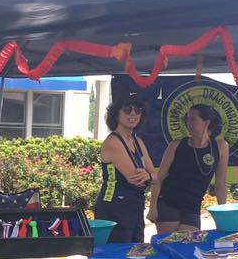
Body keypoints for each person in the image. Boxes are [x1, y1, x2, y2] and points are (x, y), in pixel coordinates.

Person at [148, 104, 228, 233]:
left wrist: (223, 213)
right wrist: (152, 208)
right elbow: (159, 177)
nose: (188, 123)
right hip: (169, 202)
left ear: (206, 122)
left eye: (193, 119)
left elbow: (220, 183)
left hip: (193, 207)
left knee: (189, 244)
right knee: (171, 245)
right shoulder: (176, 145)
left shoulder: (220, 146)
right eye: (187, 120)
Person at [94, 92, 156, 242]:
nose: (133, 113)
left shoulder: (137, 141)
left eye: (138, 109)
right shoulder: (113, 142)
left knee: (136, 252)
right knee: (119, 254)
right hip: (114, 208)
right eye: (127, 109)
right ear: (116, 113)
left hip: (135, 206)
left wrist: (149, 175)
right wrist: (149, 176)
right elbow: (136, 179)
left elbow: (154, 175)